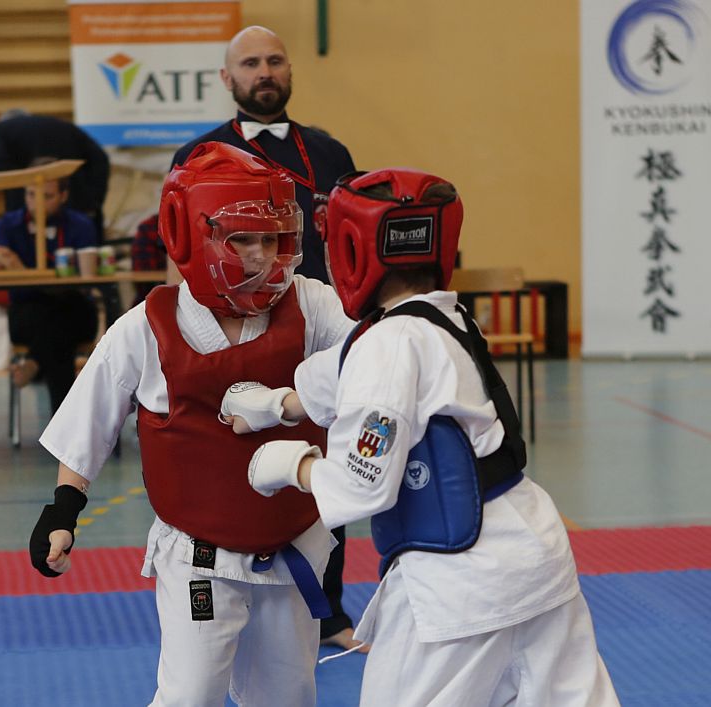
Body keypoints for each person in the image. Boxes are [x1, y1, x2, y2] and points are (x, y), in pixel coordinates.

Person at [222, 168, 621, 706]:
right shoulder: (447, 319)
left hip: (459, 578)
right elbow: (343, 376)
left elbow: (364, 486)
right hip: (537, 561)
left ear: (350, 248)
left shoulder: (389, 342)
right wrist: (274, 406)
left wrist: (291, 466)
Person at [27, 143, 352, 706]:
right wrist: (62, 512)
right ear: (191, 239)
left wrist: (291, 403)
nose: (261, 257)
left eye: (272, 239)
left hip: (293, 545)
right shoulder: (146, 327)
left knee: (287, 697)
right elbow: (89, 421)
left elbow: (373, 362)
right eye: (243, 239)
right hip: (200, 557)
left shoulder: (313, 305)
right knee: (191, 695)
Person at [172, 25, 361, 649]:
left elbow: (350, 242)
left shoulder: (328, 152)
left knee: (323, 462)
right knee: (233, 465)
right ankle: (229, 598)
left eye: (274, 60)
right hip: (232, 328)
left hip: (316, 326)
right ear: (227, 78)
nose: (264, 72)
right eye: (250, 63)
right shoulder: (198, 155)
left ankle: (326, 609)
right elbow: (181, 252)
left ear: (290, 70)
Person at [0, 157, 99, 415]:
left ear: (64, 195)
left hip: (74, 308)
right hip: (28, 313)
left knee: (63, 312)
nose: (36, 203)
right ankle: (65, 420)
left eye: (46, 196)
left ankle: (35, 363)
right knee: (54, 328)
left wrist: (20, 271)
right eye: (30, 194)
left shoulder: (81, 225)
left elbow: (85, 283)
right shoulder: (8, 224)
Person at [0, 109, 110, 238]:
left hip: (31, 212)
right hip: (77, 200)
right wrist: (93, 199)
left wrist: (17, 205)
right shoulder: (61, 125)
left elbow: (2, 169)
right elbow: (100, 158)